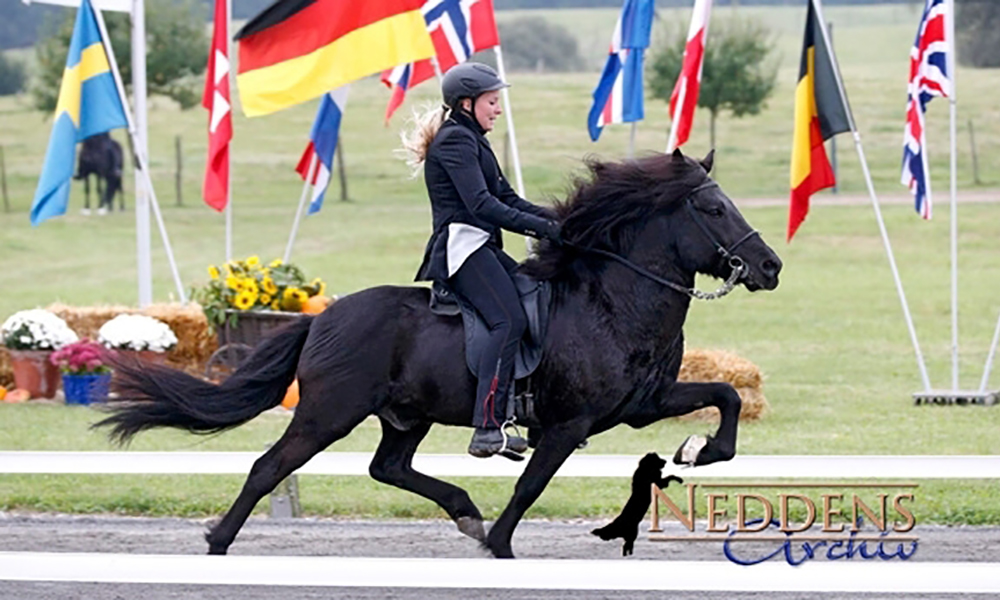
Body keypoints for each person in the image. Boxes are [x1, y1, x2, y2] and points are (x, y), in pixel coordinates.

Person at [403, 62, 561, 458]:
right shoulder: (456, 142)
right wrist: (542, 230)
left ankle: (530, 410)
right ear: (467, 103)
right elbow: (481, 204)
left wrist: (560, 219)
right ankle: (488, 426)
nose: (498, 109)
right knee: (508, 319)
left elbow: (508, 199)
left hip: (482, 247)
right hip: (462, 249)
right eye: (492, 102)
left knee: (537, 295)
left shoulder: (474, 138)